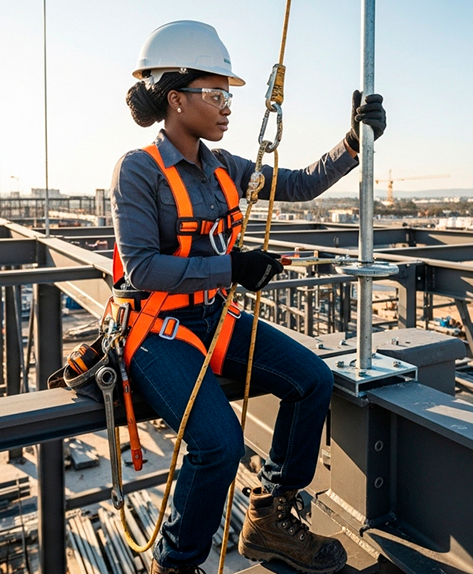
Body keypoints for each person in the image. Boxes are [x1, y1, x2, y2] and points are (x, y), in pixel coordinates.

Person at [107, 20, 386, 574]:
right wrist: (229, 266)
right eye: (216, 94)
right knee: (219, 444)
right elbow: (141, 266)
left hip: (214, 319)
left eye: (228, 94)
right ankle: (177, 563)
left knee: (313, 380)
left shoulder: (225, 168)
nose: (227, 105)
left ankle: (270, 517)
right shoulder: (138, 171)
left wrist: (354, 141)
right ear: (176, 99)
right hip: (157, 331)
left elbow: (302, 183)